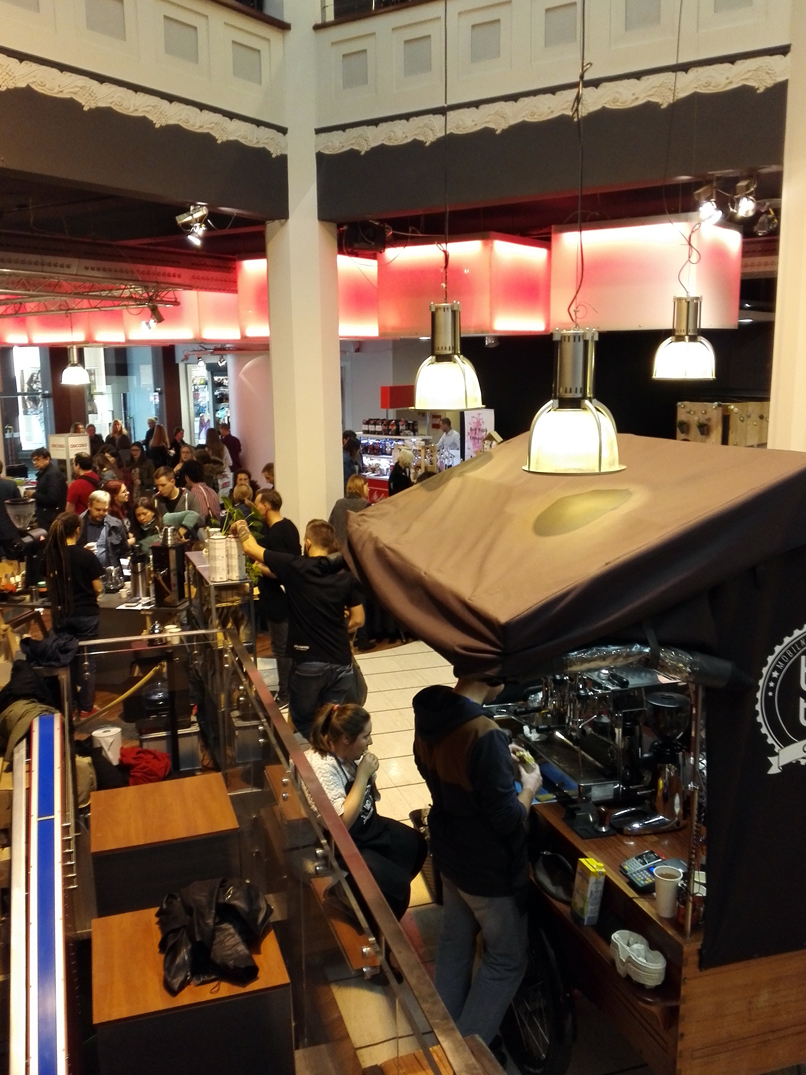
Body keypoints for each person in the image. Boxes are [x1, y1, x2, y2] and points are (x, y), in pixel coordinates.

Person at [413, 674, 543, 1055]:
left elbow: (434, 768)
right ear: (494, 677)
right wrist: (530, 786)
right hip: (486, 868)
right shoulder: (483, 732)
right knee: (506, 961)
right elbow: (507, 819)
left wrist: (496, 766)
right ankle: (465, 1058)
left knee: (455, 941)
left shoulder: (430, 712)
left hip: (450, 852)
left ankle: (443, 1042)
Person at [236, 517, 364, 738]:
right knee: (331, 719)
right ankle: (332, 753)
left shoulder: (296, 567)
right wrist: (333, 632)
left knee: (303, 720)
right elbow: (358, 619)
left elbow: (249, 547)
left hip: (309, 661)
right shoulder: (345, 574)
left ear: (307, 542)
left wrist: (241, 525)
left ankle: (319, 752)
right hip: (341, 661)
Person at [308, 703, 427, 920]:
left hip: (369, 827)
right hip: (345, 844)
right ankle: (362, 912)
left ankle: (374, 895)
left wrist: (367, 774)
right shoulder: (322, 768)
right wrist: (363, 774)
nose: (370, 742)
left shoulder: (346, 756)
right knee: (396, 892)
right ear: (346, 738)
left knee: (417, 846)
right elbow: (340, 825)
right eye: (365, 736)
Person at [44, 512, 102, 718]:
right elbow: (97, 588)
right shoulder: (86, 556)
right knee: (87, 661)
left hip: (61, 614)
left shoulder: (51, 556)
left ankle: (69, 706)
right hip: (86, 615)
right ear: (77, 530)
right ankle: (86, 707)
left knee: (66, 661)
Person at [250, 489, 301, 708]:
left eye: (257, 504)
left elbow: (280, 571)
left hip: (277, 599)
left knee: (281, 647)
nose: (255, 508)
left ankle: (286, 694)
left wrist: (258, 567)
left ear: (266, 506)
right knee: (287, 645)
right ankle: (293, 690)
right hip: (289, 596)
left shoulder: (276, 534)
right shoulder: (289, 526)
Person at [78, 490, 129, 567]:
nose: (101, 513)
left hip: (111, 570)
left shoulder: (116, 524)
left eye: (105, 510)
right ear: (89, 506)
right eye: (98, 509)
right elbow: (69, 551)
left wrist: (124, 571)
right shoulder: (78, 524)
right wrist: (83, 551)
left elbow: (125, 551)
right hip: (85, 570)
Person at [329, 473, 370, 550]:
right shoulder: (365, 505)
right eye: (367, 486)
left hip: (337, 548)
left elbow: (330, 525)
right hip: (355, 549)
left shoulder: (339, 503)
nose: (368, 489)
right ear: (360, 487)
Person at [31, 447, 67, 531]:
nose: (35, 463)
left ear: (47, 459)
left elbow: (52, 498)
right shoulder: (45, 473)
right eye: (33, 460)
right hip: (47, 516)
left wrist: (33, 495)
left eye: (37, 459)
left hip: (51, 518)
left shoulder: (51, 474)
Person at [179, 460, 220, 525]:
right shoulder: (211, 490)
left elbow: (202, 515)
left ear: (187, 477)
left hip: (205, 528)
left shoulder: (195, 491)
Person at [104, 480, 135, 546]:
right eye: (124, 492)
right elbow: (115, 544)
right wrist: (135, 540)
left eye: (127, 490)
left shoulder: (124, 508)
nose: (128, 493)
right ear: (115, 496)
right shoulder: (110, 516)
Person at [0, 461, 20, 554]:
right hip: (9, 529)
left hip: (8, 529)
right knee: (13, 559)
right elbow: (20, 506)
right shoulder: (11, 485)